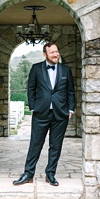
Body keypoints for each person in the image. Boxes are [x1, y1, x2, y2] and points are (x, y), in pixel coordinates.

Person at [13, 42, 76, 187]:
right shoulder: (36, 69)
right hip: (41, 113)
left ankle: (50, 174)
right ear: (45, 54)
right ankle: (28, 174)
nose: (56, 54)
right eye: (52, 52)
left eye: (57, 51)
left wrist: (70, 109)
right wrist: (33, 107)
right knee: (35, 144)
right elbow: (31, 89)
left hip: (60, 114)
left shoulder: (66, 70)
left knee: (56, 146)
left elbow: (71, 91)